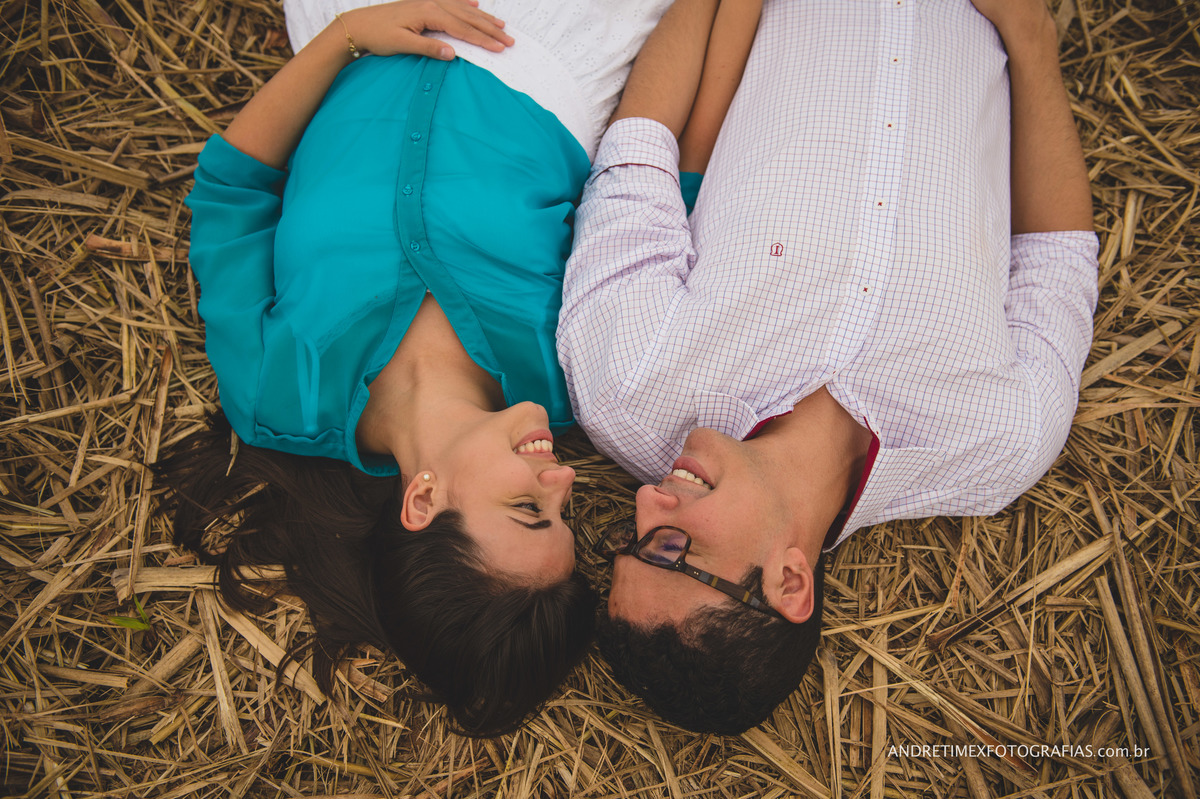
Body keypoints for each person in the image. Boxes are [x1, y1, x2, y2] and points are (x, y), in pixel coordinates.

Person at [557, 0, 1098, 734]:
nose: (649, 501)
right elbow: (1056, 259)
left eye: (633, 536)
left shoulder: (627, 383)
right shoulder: (997, 445)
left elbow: (638, 155)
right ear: (788, 580)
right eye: (674, 546)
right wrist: (1030, 37)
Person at [157, 0, 687, 737]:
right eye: (563, 512)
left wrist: (346, 40)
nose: (563, 480)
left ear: (422, 501)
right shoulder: (575, 377)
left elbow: (230, 192)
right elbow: (658, 199)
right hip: (564, 42)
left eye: (530, 509)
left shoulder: (276, 393)